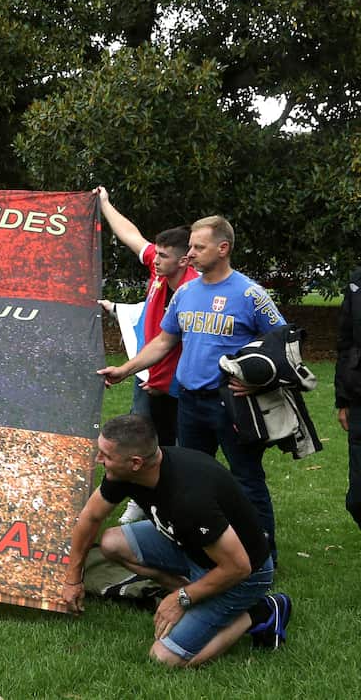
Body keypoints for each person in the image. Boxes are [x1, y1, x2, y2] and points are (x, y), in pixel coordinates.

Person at [99, 215, 286, 560]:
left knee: (247, 479)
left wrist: (257, 380)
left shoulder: (250, 294)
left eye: (199, 248)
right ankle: (201, 548)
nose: (191, 254)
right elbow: (163, 341)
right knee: (191, 477)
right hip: (189, 402)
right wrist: (126, 370)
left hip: (230, 404)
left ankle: (263, 555)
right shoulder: (185, 292)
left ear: (223, 248)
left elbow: (283, 343)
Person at [62, 414, 291, 666]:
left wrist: (182, 598)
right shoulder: (124, 473)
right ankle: (195, 595)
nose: (98, 459)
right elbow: (90, 518)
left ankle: (262, 611)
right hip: (190, 547)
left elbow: (238, 567)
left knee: (164, 658)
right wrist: (74, 578)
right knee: (111, 543)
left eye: (105, 455)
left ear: (136, 462)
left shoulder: (190, 499)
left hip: (243, 575)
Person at [94, 187, 198, 524]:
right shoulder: (160, 270)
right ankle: (141, 502)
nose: (155, 258)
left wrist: (164, 381)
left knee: (179, 451)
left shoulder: (196, 290)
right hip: (146, 377)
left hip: (181, 387)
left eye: (164, 255)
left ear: (184, 259)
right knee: (138, 446)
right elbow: (131, 236)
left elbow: (188, 346)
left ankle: (182, 511)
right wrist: (105, 205)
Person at [336, 266, 361, 529]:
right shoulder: (356, 281)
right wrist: (342, 399)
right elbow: (345, 343)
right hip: (358, 398)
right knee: (357, 500)